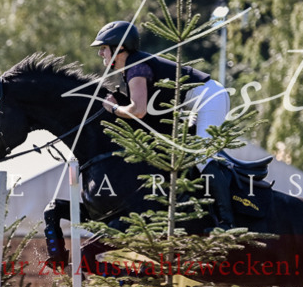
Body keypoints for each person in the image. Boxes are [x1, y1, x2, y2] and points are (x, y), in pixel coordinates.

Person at [89, 20, 233, 227]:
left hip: (210, 98)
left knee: (201, 156)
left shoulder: (136, 67)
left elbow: (138, 110)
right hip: (194, 104)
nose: (100, 53)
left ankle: (227, 222)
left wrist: (113, 109)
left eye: (103, 48)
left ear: (119, 48)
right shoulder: (130, 68)